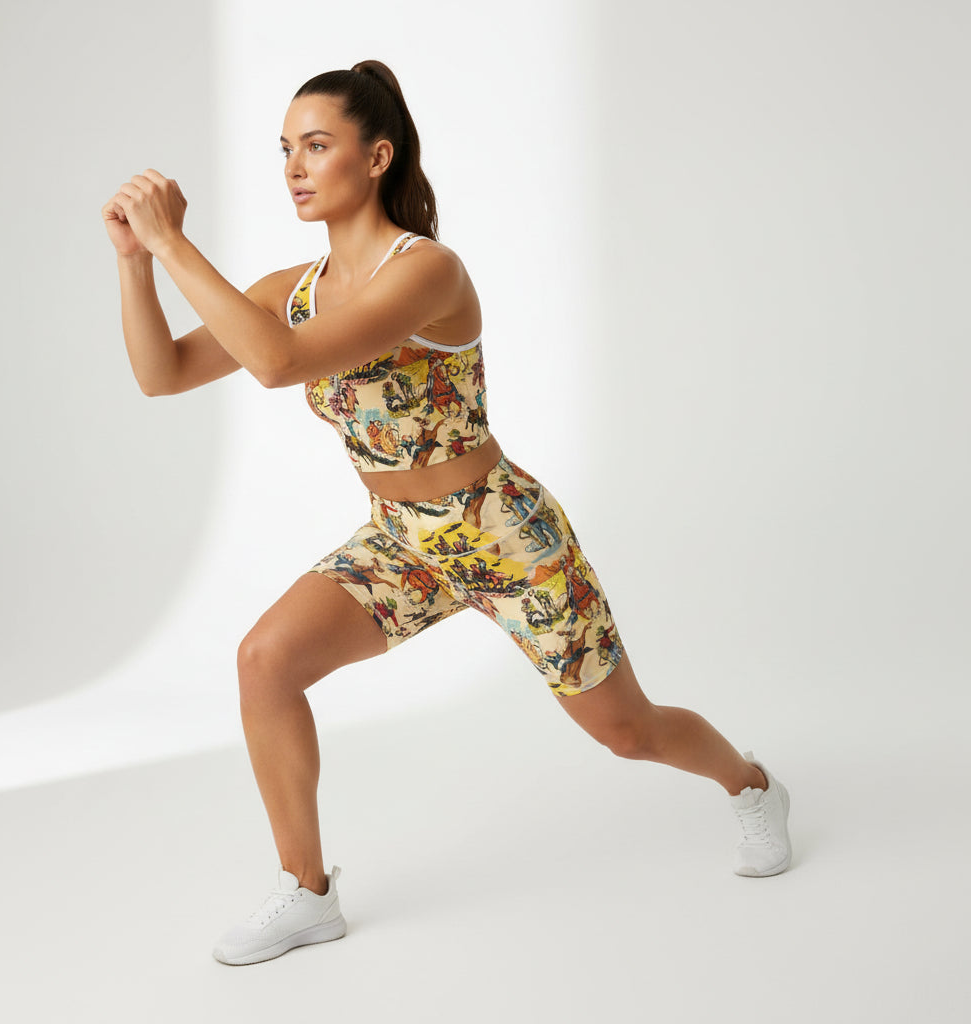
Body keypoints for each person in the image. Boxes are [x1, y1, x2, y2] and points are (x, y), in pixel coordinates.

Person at [102, 60, 791, 967]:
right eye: (286, 150)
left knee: (628, 730)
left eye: (318, 145)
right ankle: (306, 893)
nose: (295, 168)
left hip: (505, 535)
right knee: (265, 662)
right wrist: (136, 261)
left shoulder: (427, 271)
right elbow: (163, 376)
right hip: (403, 545)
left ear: (376, 155)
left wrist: (178, 243)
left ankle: (749, 787)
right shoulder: (290, 289)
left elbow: (278, 364)